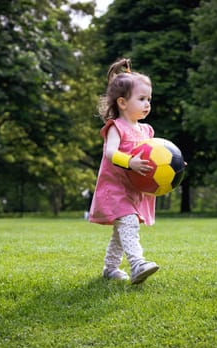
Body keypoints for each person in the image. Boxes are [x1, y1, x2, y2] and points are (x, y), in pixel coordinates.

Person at [89, 58, 159, 285]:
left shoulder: (147, 130)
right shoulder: (116, 127)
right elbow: (110, 153)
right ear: (122, 102)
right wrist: (130, 162)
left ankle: (110, 268)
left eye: (149, 99)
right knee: (127, 223)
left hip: (135, 189)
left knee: (122, 231)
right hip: (115, 188)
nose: (147, 103)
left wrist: (173, 167)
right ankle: (137, 263)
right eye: (141, 99)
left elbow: (157, 155)